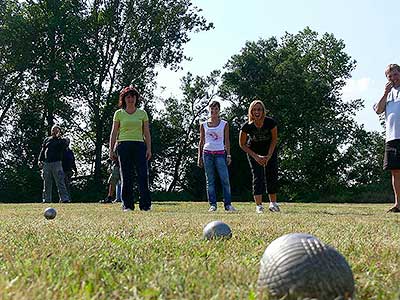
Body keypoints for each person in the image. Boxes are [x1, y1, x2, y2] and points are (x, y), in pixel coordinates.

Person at [108, 86, 152, 211]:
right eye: (128, 97)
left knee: (143, 175)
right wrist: (111, 150)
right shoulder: (119, 114)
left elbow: (147, 133)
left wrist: (149, 148)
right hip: (123, 145)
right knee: (126, 176)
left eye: (133, 96)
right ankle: (127, 204)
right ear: (124, 99)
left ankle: (145, 205)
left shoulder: (142, 113)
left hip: (139, 145)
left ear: (136, 98)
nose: (130, 99)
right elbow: (114, 132)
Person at [239, 100, 279, 213]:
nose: (257, 112)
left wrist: (269, 155)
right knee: (258, 176)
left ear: (263, 111)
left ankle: (273, 204)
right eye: (255, 109)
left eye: (259, 109)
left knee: (272, 173)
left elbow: (274, 139)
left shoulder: (270, 123)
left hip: (269, 150)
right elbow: (242, 144)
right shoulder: (246, 126)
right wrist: (256, 157)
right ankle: (259, 206)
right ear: (251, 111)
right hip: (254, 152)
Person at [197, 101, 236, 212]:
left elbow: (227, 140)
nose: (214, 111)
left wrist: (228, 155)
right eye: (212, 109)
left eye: (216, 109)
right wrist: (199, 157)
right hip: (207, 153)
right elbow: (201, 141)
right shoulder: (203, 124)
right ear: (209, 110)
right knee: (210, 180)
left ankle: (228, 204)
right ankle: (213, 204)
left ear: (219, 110)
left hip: (220, 153)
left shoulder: (224, 124)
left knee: (225, 179)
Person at [374, 63, 400, 213]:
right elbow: (378, 110)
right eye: (390, 76)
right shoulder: (387, 94)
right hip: (392, 137)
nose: (393, 78)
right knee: (395, 171)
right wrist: (385, 93)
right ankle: (398, 204)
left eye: (395, 74)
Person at [38, 124, 71, 203]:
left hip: (57, 163)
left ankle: (64, 199)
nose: (54, 132)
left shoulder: (62, 140)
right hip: (47, 163)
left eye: (56, 130)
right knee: (46, 182)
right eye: (53, 130)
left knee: (60, 181)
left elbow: (64, 146)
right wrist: (40, 160)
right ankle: (46, 199)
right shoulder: (47, 139)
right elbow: (43, 150)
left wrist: (59, 137)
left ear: (59, 132)